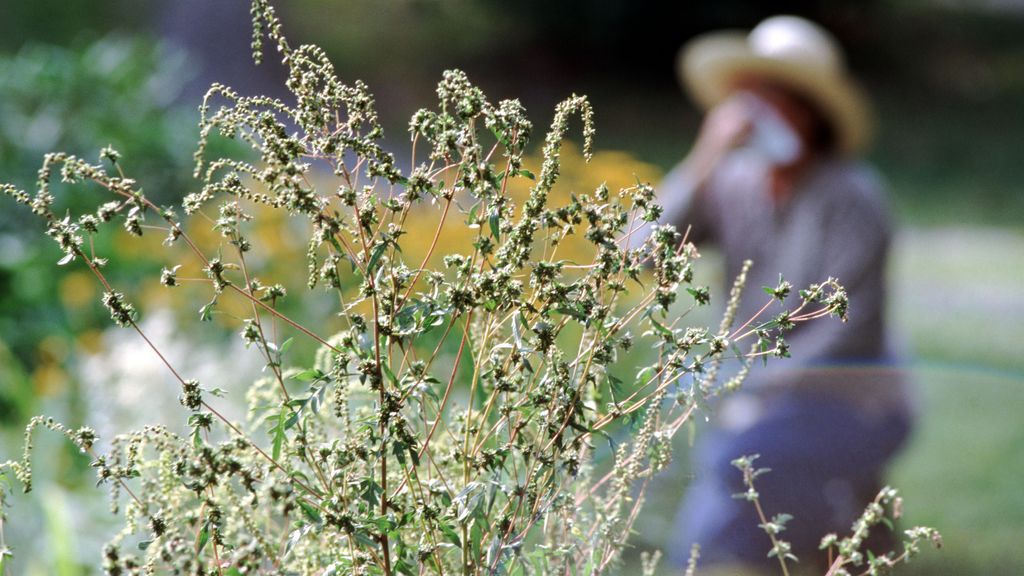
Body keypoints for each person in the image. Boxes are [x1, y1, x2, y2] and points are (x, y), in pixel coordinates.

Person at [646, 15, 914, 573]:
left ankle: (702, 564)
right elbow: (641, 253)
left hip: (856, 399)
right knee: (731, 465)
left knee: (739, 460)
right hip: (763, 393)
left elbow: (849, 333)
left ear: (810, 112)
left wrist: (749, 393)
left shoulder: (853, 198)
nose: (758, 113)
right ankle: (847, 536)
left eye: (776, 98)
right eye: (749, 99)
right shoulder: (732, 182)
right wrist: (704, 158)